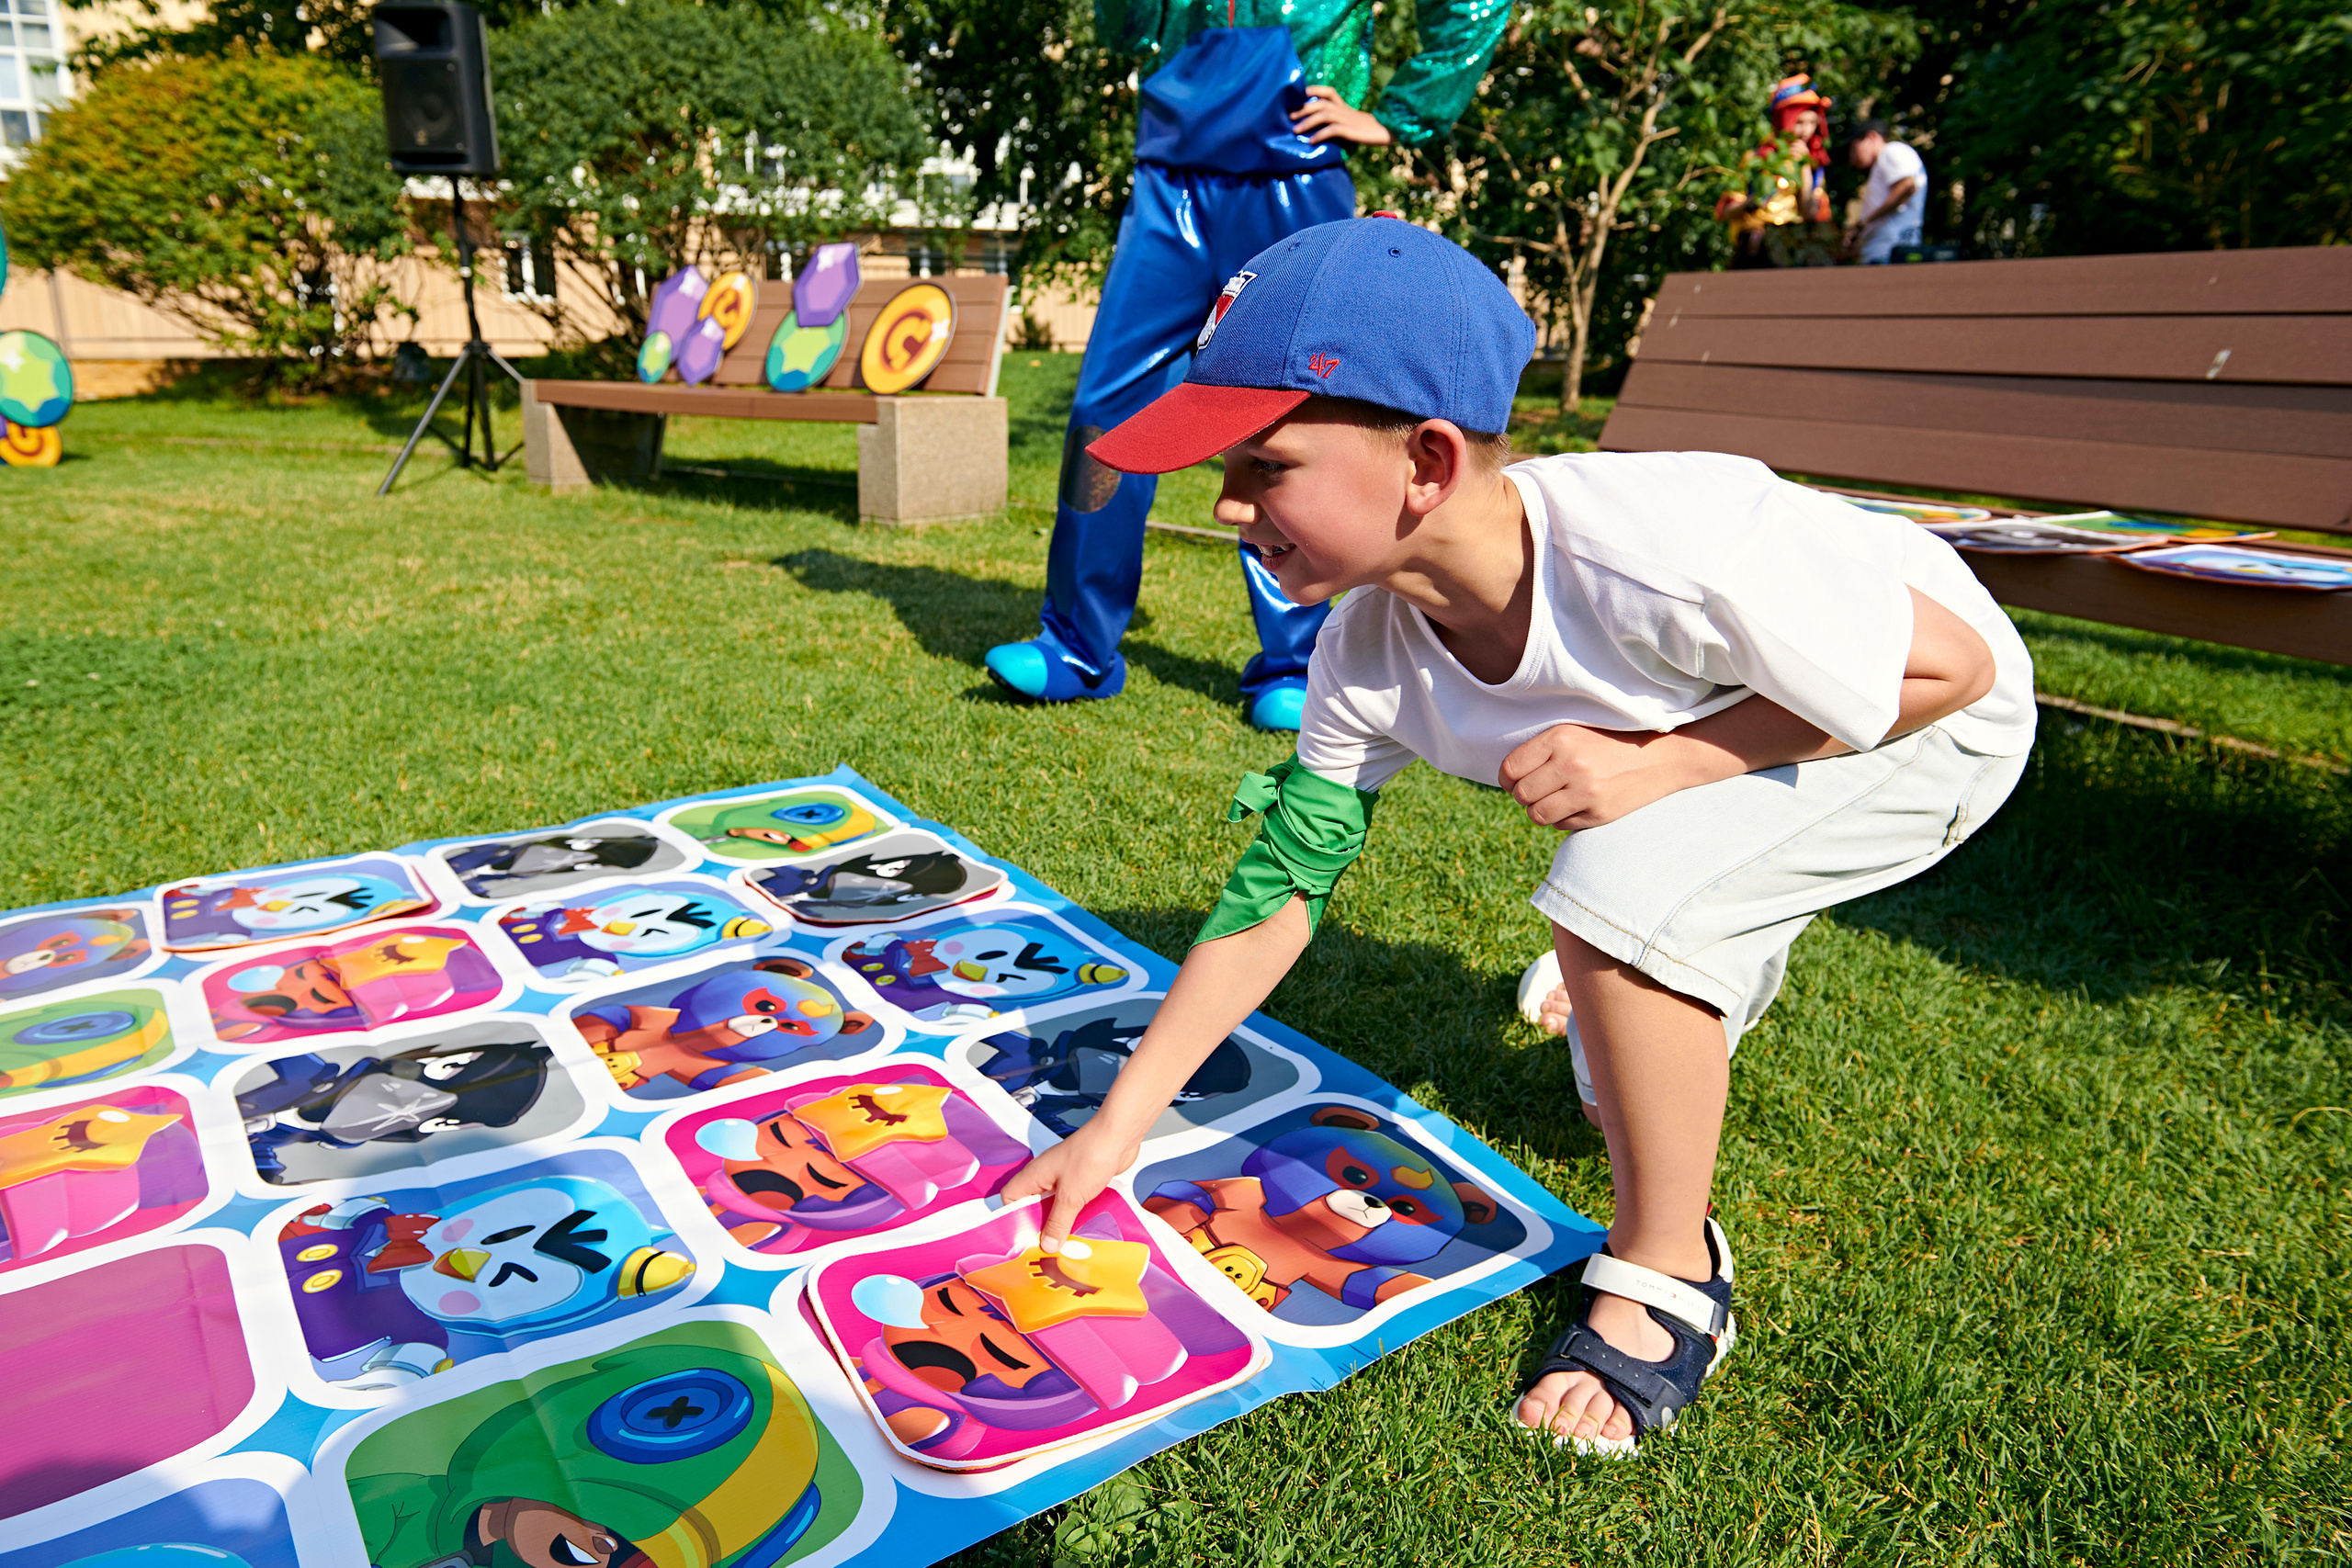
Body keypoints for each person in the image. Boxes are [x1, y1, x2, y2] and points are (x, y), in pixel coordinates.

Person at [998, 217, 2036, 1457]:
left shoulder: (1654, 547)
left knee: (1618, 885)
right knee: (1622, 1040)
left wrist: (1665, 766)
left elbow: (1952, 666)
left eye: (1264, 464)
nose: (1226, 504)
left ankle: (1673, 1267)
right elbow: (1282, 883)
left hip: (1927, 724)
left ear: (1427, 462)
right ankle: (1659, 963)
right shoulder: (1364, 653)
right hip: (1749, 711)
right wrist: (1119, 1127)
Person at [982, 0, 1510, 733]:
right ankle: (1075, 645)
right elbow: (1122, 31)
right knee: (1106, 407)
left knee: (1296, 414)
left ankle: (1298, 662)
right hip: (1169, 172)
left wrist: (1401, 114)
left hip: (1294, 173)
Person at [1713, 75, 1838, 269]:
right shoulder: (1757, 158)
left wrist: (1804, 167)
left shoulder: (1814, 165)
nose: (1806, 130)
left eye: (1812, 123)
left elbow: (1811, 213)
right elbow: (1727, 212)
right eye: (1799, 122)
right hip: (1756, 251)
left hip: (1794, 252)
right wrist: (1754, 204)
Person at [1849, 118, 1929, 264]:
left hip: (1891, 251)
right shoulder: (1883, 161)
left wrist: (1865, 222)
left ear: (1871, 137)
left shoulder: (1892, 150)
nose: (1852, 157)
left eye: (1854, 146)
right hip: (1886, 251)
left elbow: (1907, 186)